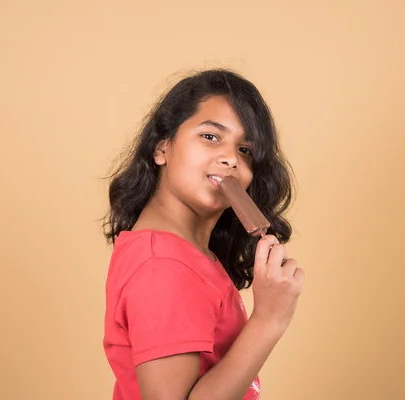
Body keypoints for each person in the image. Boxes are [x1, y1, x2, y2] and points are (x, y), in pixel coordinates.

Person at [102, 69, 304, 400]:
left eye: (246, 151)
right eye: (210, 136)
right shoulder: (163, 265)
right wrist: (269, 319)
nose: (230, 158)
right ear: (161, 148)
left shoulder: (185, 256)